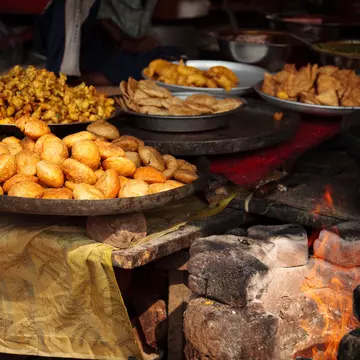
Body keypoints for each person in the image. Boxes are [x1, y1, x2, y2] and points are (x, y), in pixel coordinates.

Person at [34, 0, 183, 85]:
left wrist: (141, 43)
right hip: (84, 41)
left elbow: (140, 29)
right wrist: (124, 42)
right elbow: (100, 18)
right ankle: (74, 78)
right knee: (137, 69)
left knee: (173, 56)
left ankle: (87, 76)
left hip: (117, 48)